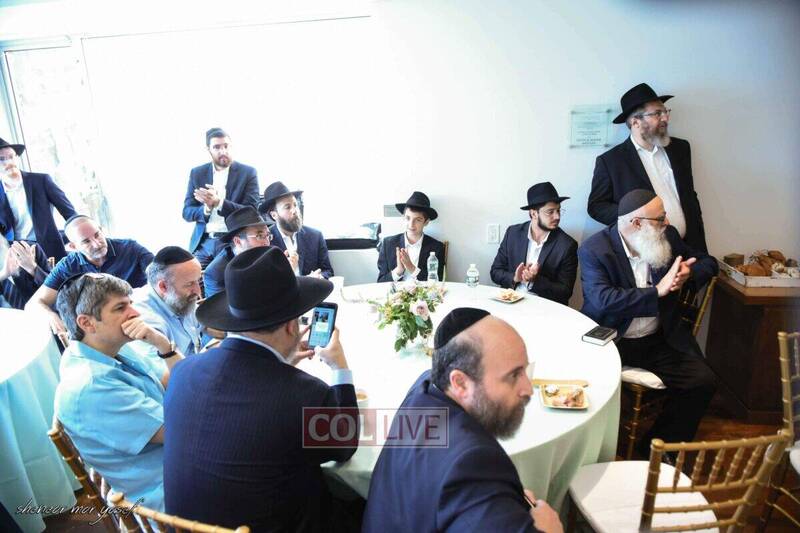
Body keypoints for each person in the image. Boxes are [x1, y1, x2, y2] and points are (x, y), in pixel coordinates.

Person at [164, 246, 357, 531]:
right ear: (292, 326)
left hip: (181, 527)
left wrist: (281, 362)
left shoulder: (182, 371)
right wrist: (340, 369)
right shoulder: (304, 395)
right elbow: (344, 446)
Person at [362, 308, 563, 533]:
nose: (528, 389)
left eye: (525, 370)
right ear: (460, 383)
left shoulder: (425, 389)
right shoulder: (475, 464)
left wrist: (498, 503)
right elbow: (467, 482)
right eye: (513, 375)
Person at [579, 189, 717, 453]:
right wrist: (657, 292)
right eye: (660, 218)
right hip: (612, 340)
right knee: (586, 385)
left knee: (703, 382)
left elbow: (708, 262)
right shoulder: (595, 249)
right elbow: (603, 299)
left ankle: (656, 449)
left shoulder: (668, 235)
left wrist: (689, 272)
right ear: (636, 223)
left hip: (658, 339)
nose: (667, 223)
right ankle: (594, 449)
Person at [54, 272, 184, 512]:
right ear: (87, 323)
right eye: (120, 307)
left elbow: (177, 380)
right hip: (170, 487)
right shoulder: (93, 387)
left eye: (130, 303)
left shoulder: (111, 348)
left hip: (179, 458)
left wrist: (163, 345)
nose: (135, 313)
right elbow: (183, 430)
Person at [588, 83, 708, 252]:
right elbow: (596, 207)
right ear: (635, 122)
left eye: (665, 112)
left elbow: (689, 196)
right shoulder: (611, 161)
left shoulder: (680, 148)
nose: (665, 118)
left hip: (690, 247)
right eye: (657, 113)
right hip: (647, 253)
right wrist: (635, 217)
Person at [25, 214, 153, 337]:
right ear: (73, 246)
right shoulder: (67, 266)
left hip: (139, 316)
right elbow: (33, 304)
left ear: (101, 230)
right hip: (100, 331)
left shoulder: (130, 248)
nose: (96, 244)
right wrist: (51, 316)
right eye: (86, 241)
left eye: (97, 235)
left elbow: (159, 275)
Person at [182, 128, 260, 267]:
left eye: (226, 146)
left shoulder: (248, 172)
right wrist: (206, 209)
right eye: (217, 147)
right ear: (209, 150)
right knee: (193, 276)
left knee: (228, 277)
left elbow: (252, 211)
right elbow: (186, 212)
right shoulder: (197, 173)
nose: (223, 151)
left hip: (233, 240)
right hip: (204, 243)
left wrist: (219, 203)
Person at [490, 182, 578, 306]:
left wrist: (534, 281)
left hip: (544, 307)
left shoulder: (567, 245)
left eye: (558, 210)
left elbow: (565, 291)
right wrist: (515, 278)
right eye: (550, 212)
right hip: (510, 303)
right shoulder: (513, 233)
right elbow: (495, 272)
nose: (557, 216)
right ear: (533, 213)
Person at [0, 137, 76, 261]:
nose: (9, 162)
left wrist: (78, 236)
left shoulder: (41, 181)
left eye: (12, 156)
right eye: (1, 159)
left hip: (49, 248)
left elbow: (68, 212)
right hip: (18, 254)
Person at [133, 246, 203, 356]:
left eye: (198, 280)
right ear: (163, 287)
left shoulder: (179, 297)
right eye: (189, 284)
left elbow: (204, 323)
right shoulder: (145, 322)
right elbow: (166, 366)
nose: (198, 291)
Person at [260, 180, 333, 279]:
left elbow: (328, 271)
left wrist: (319, 277)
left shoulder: (315, 236)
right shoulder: (266, 242)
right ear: (274, 215)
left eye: (295, 205)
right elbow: (266, 281)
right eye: (287, 207)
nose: (295, 211)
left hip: (313, 288)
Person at [202, 206, 273, 298]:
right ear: (238, 241)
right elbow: (221, 306)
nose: (267, 242)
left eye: (268, 235)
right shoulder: (216, 273)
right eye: (260, 236)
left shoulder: (269, 255)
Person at [377, 191, 445, 282]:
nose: (411, 224)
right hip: (395, 291)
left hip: (423, 291)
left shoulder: (436, 247)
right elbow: (380, 282)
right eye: (408, 218)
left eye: (418, 220)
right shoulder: (388, 244)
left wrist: (412, 268)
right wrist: (398, 271)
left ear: (426, 222)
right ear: (403, 217)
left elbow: (436, 282)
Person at [0, 238, 49, 309]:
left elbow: (56, 288)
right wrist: (2, 275)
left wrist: (32, 268)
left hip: (44, 311)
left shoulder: (28, 249)